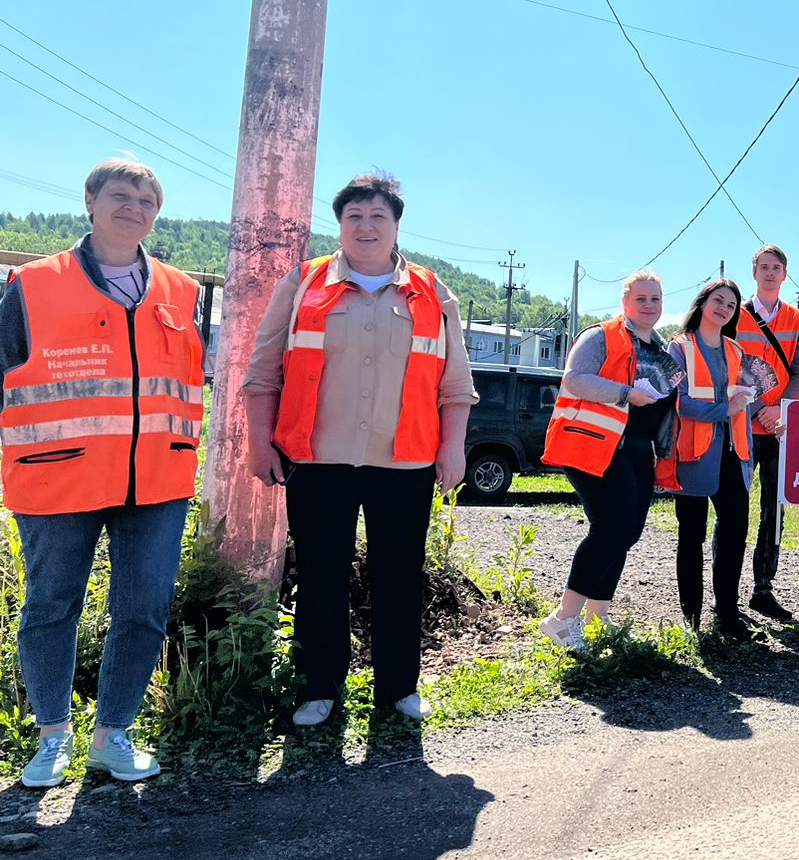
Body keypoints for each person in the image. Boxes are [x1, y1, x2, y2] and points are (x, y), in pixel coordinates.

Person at [244, 172, 475, 728]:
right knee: (321, 575)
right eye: (355, 216)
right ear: (340, 224)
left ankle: (398, 688)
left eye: (378, 217)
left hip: (407, 460)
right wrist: (259, 443)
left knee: (400, 573)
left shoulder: (431, 292)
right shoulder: (303, 283)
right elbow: (263, 371)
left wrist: (454, 449)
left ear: (396, 225)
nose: (366, 226)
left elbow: (455, 383)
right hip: (319, 459)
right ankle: (318, 688)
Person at [4, 160, 204, 787]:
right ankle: (52, 737)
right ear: (90, 202)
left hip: (156, 483)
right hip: (57, 477)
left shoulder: (183, 292)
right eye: (121, 195)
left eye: (147, 199)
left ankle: (113, 733)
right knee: (49, 607)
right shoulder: (32, 285)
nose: (134, 207)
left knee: (144, 608)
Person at [538, 269, 677, 647]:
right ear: (625, 303)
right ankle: (563, 619)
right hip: (594, 444)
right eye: (641, 299)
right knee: (611, 527)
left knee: (626, 532)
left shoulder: (662, 349)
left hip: (636, 448)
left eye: (655, 300)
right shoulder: (601, 335)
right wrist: (626, 392)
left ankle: (597, 618)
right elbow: (575, 379)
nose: (649, 306)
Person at [667, 279, 756, 640]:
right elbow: (677, 401)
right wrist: (724, 408)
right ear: (703, 303)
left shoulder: (735, 352)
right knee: (692, 536)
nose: (724, 308)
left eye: (731, 305)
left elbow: (744, 405)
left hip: (734, 455)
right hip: (693, 454)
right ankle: (691, 619)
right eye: (718, 300)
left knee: (735, 534)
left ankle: (728, 614)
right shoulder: (679, 347)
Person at [733, 245, 799, 623]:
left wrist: (780, 408)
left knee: (773, 511)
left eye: (776, 268)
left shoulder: (797, 319)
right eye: (763, 267)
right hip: (738, 427)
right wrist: (754, 408)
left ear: (785, 274)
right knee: (733, 510)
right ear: (754, 272)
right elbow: (725, 367)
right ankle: (727, 590)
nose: (769, 273)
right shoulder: (735, 314)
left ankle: (763, 587)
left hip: (778, 427)